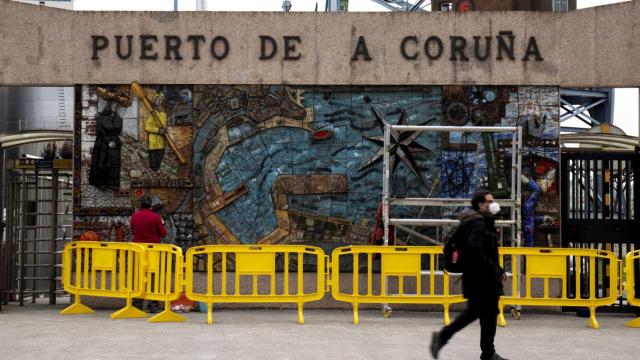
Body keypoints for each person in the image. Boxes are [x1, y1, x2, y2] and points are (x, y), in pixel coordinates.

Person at [430, 190, 508, 360]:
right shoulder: (478, 224)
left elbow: (486, 251)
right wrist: (494, 269)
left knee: (486, 314)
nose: (493, 203)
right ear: (480, 204)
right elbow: (475, 250)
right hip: (481, 279)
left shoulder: (480, 221)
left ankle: (487, 352)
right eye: (489, 201)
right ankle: (444, 337)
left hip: (480, 277)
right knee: (477, 313)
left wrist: (498, 268)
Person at [130, 195, 167, 313]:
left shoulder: (134, 217)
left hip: (138, 250)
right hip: (153, 251)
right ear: (151, 205)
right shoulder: (156, 217)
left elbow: (133, 231)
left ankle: (137, 304)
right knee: (153, 278)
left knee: (138, 277)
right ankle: (153, 305)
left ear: (140, 205)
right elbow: (163, 233)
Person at [89, 101, 122, 188]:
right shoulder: (101, 117)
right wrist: (108, 142)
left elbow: (118, 132)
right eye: (113, 105)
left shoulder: (118, 118)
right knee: (102, 162)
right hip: (102, 141)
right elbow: (99, 131)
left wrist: (114, 141)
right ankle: (100, 183)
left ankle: (112, 183)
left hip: (114, 142)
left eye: (116, 105)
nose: (115, 107)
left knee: (113, 164)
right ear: (109, 106)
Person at [144, 93, 167, 171]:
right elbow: (147, 126)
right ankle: (153, 170)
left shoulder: (164, 114)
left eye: (160, 100)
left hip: (161, 141)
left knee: (160, 154)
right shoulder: (152, 113)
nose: (159, 101)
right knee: (153, 159)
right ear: (154, 101)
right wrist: (158, 130)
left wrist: (165, 130)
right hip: (153, 141)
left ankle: (157, 169)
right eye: (157, 99)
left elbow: (165, 125)